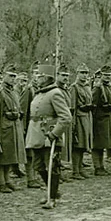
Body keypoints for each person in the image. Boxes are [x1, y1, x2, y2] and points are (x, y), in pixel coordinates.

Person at [25, 63, 72, 209]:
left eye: (40, 76)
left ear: (46, 78)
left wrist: (53, 134)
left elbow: (66, 117)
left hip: (49, 137)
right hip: (36, 136)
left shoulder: (55, 93)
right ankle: (52, 191)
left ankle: (51, 197)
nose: (37, 79)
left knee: (52, 167)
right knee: (38, 166)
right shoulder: (39, 93)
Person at [0, 66, 26, 193]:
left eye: (14, 76)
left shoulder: (13, 92)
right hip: (4, 128)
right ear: (4, 76)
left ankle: (7, 180)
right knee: (2, 157)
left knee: (10, 156)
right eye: (10, 76)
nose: (12, 79)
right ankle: (1, 183)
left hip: (14, 127)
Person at [69, 63, 93, 179]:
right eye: (82, 73)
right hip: (78, 118)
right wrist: (72, 123)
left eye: (86, 73)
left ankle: (80, 168)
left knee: (84, 145)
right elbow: (72, 106)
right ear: (77, 74)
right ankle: (75, 170)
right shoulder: (74, 88)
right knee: (77, 145)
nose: (84, 76)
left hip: (87, 118)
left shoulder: (87, 87)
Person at [91, 65, 111, 175]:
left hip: (108, 119)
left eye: (109, 75)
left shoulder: (110, 87)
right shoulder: (98, 88)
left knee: (103, 145)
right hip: (99, 119)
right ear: (101, 75)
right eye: (105, 75)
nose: (107, 77)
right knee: (97, 145)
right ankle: (98, 167)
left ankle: (102, 166)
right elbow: (94, 104)